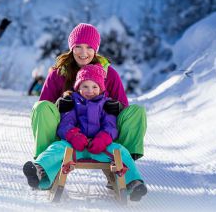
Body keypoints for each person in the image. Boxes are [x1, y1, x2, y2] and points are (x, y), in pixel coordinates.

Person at [23, 64, 147, 201]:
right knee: (56, 148)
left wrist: (104, 138)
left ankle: (134, 182)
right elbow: (66, 123)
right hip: (75, 146)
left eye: (94, 87)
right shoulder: (72, 102)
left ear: (101, 88)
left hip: (101, 147)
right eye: (85, 86)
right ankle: (40, 171)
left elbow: (111, 126)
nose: (90, 91)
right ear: (78, 87)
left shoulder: (106, 104)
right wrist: (73, 135)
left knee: (120, 151)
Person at [30, 23, 147, 161]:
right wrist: (58, 104)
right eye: (78, 46)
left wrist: (118, 107)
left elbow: (126, 112)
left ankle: (125, 162)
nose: (83, 53)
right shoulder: (58, 74)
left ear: (96, 49)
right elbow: (44, 108)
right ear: (71, 48)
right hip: (66, 136)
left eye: (89, 47)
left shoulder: (109, 74)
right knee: (40, 108)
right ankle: (44, 162)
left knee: (137, 111)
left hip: (104, 137)